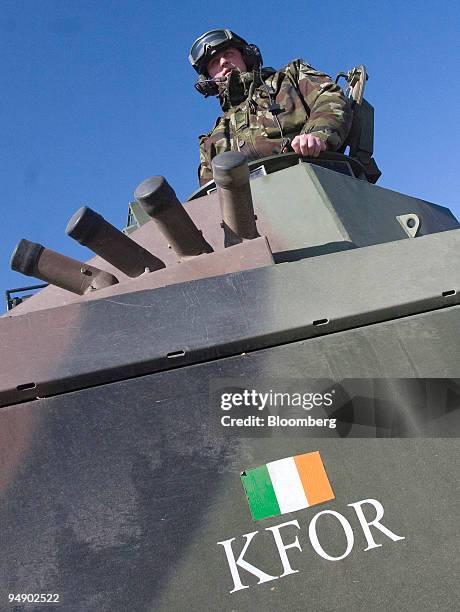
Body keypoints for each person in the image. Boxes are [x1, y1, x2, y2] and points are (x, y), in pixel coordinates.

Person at [189, 29, 353, 186]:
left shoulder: (290, 78)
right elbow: (211, 195)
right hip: (256, 210)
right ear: (208, 79)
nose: (223, 62)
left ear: (246, 56)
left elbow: (330, 98)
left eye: (228, 54)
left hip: (315, 177)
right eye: (214, 62)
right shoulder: (211, 142)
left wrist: (316, 135)